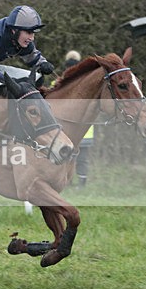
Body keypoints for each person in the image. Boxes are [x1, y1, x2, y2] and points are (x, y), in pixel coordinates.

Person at [64, 49, 94, 187]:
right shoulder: (88, 83)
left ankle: (68, 181)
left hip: (68, 130)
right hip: (85, 130)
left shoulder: (60, 82)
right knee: (81, 158)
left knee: (67, 156)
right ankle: (81, 183)